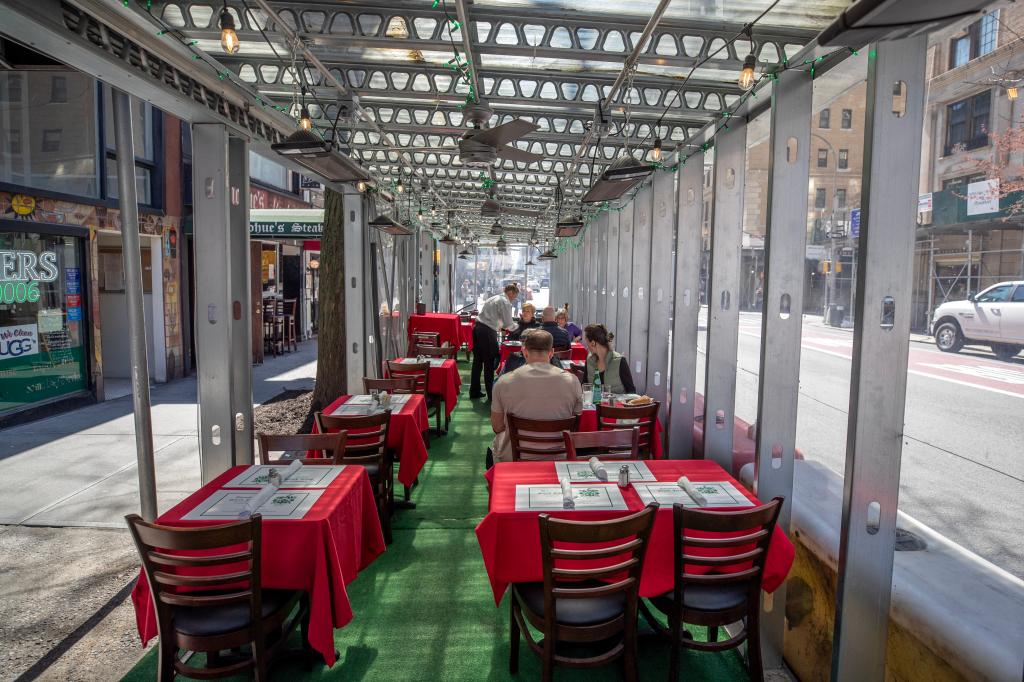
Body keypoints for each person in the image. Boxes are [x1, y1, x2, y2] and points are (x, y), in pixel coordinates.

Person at [488, 329, 583, 467]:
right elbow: (576, 423)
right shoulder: (572, 381)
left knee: (498, 441)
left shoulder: (503, 382)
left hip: (516, 457)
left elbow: (497, 427)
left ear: (524, 352)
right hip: (559, 456)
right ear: (551, 353)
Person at [470, 283, 520, 400]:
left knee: (477, 362)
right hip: (487, 331)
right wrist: (518, 327)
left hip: (477, 328)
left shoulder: (493, 298)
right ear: (511, 293)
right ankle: (491, 395)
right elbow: (508, 324)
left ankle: (474, 391)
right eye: (514, 297)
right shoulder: (505, 302)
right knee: (489, 362)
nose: (513, 299)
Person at [584, 323, 636, 394]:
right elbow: (584, 385)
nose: (587, 347)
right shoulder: (589, 360)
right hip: (594, 404)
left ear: (593, 343)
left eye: (587, 344)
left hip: (615, 405)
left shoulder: (620, 361)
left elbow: (632, 392)